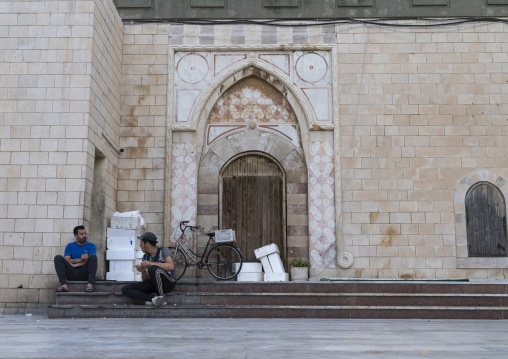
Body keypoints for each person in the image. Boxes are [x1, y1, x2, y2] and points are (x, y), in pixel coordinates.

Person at [122, 232, 176, 306]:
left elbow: (171, 266)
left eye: (141, 243)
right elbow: (146, 279)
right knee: (126, 289)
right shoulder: (145, 257)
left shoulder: (163, 250)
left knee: (153, 269)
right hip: (154, 284)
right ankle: (153, 299)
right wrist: (143, 271)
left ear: (147, 244)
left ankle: (161, 297)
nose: (140, 245)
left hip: (168, 282)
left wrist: (151, 264)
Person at [54, 225, 97, 292]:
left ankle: (90, 284)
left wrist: (75, 264)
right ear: (76, 236)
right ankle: (64, 285)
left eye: (85, 233)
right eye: (82, 234)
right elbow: (66, 259)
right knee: (58, 258)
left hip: (84, 273)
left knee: (93, 257)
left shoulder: (91, 246)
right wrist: (80, 260)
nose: (84, 235)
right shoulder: (70, 246)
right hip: (72, 273)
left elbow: (91, 261)